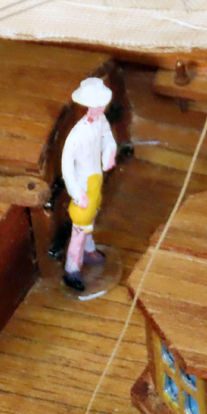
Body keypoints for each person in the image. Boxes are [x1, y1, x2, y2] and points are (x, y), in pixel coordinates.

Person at [61, 76, 117, 292]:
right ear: (89, 105)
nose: (101, 108)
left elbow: (108, 137)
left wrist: (109, 152)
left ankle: (89, 250)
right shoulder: (76, 135)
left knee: (92, 217)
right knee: (79, 228)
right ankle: (72, 269)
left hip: (95, 180)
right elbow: (67, 166)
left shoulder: (101, 121)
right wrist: (76, 193)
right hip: (83, 185)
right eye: (98, 104)